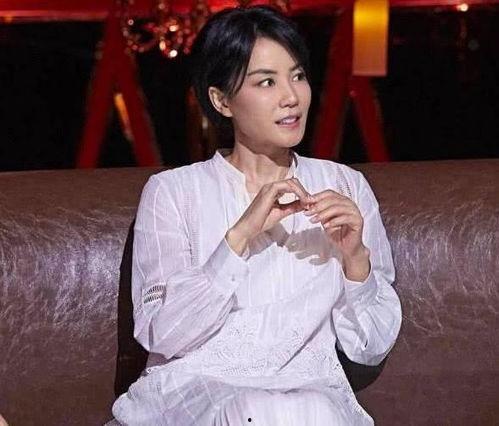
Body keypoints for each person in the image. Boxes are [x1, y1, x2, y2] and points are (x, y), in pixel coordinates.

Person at [110, 5, 402, 425]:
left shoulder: (344, 185)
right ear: (221, 100)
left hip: (311, 399)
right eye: (267, 81)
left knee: (304, 411)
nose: (291, 96)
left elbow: (370, 346)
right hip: (196, 396)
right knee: (255, 410)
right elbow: (164, 334)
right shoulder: (173, 192)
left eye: (297, 76)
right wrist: (240, 236)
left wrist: (356, 260)